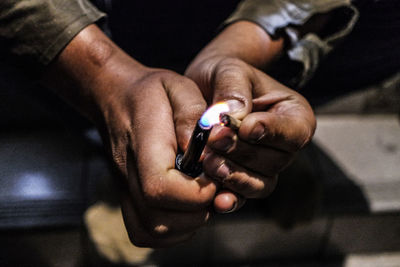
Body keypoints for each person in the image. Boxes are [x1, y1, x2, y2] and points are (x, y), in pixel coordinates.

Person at [5, 0, 381, 248]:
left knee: (270, 107)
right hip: (109, 21)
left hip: (314, 31)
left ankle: (268, 154)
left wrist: (236, 52)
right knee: (121, 116)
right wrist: (104, 77)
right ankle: (127, 174)